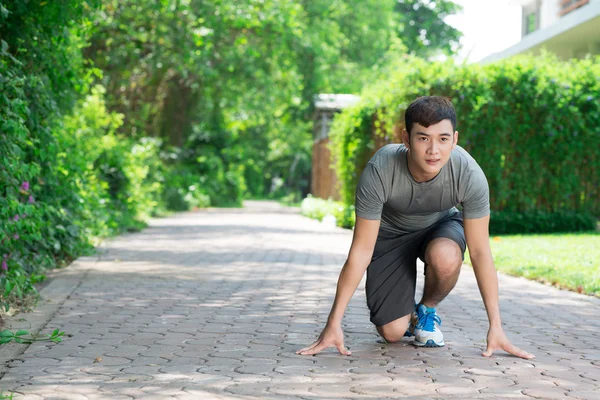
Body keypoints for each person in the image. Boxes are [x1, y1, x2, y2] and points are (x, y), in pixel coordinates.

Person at [296, 96, 534, 359]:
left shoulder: (468, 174)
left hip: (439, 227)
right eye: (423, 138)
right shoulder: (380, 170)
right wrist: (333, 322)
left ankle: (426, 311)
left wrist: (496, 326)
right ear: (406, 139)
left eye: (443, 139)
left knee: (446, 256)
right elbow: (361, 251)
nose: (434, 150)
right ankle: (405, 316)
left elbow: (479, 253)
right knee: (392, 333)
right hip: (390, 236)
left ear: (455, 139)